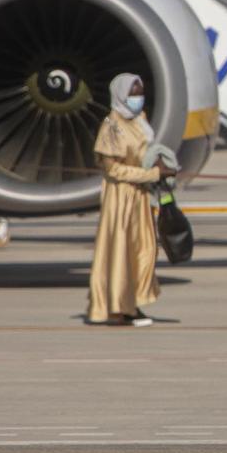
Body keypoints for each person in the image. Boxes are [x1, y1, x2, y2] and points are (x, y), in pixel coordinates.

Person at [87, 73, 174, 326]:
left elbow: (147, 151)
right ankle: (121, 309)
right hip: (121, 197)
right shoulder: (111, 126)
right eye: (133, 93)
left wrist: (160, 165)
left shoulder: (139, 120)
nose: (138, 98)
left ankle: (131, 303)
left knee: (145, 251)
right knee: (122, 254)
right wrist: (153, 173)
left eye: (140, 93)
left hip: (141, 194)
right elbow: (113, 170)